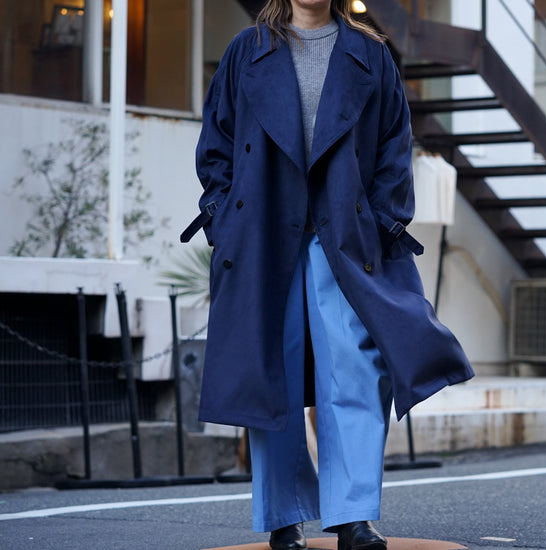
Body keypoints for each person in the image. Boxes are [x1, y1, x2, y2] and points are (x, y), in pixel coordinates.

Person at [180, 1, 474, 548]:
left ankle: (353, 515)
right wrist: (224, 215)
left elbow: (394, 146)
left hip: (344, 233)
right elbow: (216, 142)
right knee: (272, 371)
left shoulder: (370, 53)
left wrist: (383, 220)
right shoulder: (248, 50)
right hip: (264, 232)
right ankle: (284, 514)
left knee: (356, 368)